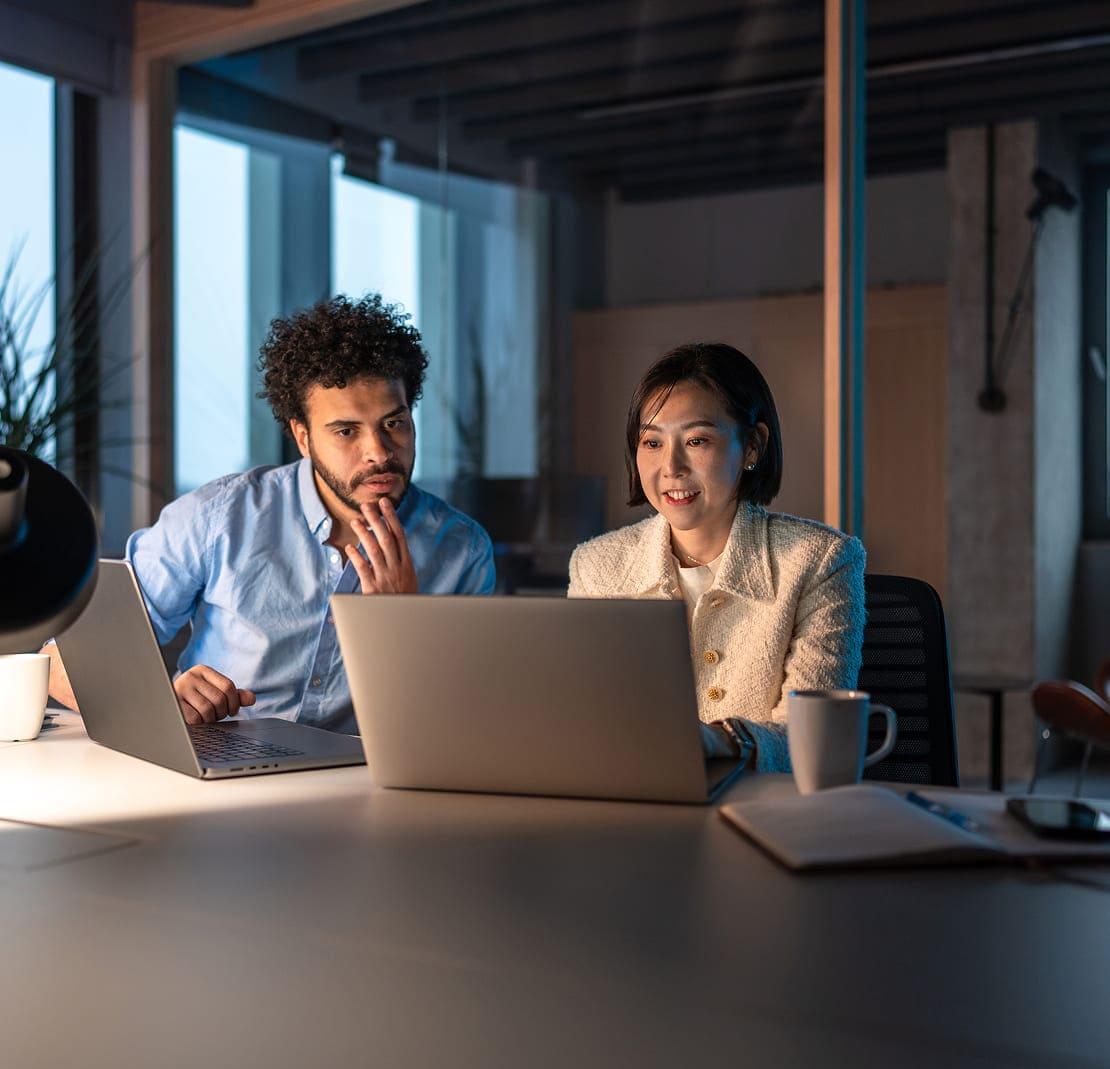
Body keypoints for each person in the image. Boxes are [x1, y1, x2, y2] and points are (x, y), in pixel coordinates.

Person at [46, 294, 495, 731]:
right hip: (224, 781)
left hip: (365, 787)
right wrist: (162, 701)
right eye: (345, 431)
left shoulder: (461, 549)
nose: (378, 452)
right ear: (302, 437)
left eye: (393, 423)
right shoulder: (218, 517)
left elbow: (467, 724)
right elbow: (63, 662)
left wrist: (404, 628)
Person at [568, 342, 865, 772]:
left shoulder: (820, 560)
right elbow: (583, 720)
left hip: (766, 814)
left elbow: (810, 736)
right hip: (637, 810)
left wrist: (720, 740)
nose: (671, 466)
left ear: (752, 447)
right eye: (652, 441)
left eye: (697, 439)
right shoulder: (595, 567)